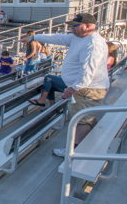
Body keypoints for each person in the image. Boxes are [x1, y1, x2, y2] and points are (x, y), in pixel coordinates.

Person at [29, 13, 110, 153]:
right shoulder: (78, 37)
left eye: (76, 25)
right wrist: (33, 37)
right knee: (83, 117)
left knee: (80, 119)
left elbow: (89, 70)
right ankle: (82, 140)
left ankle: (74, 151)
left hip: (87, 89)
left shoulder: (93, 43)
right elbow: (56, 38)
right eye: (72, 25)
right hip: (84, 87)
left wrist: (73, 88)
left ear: (90, 26)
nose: (72, 28)